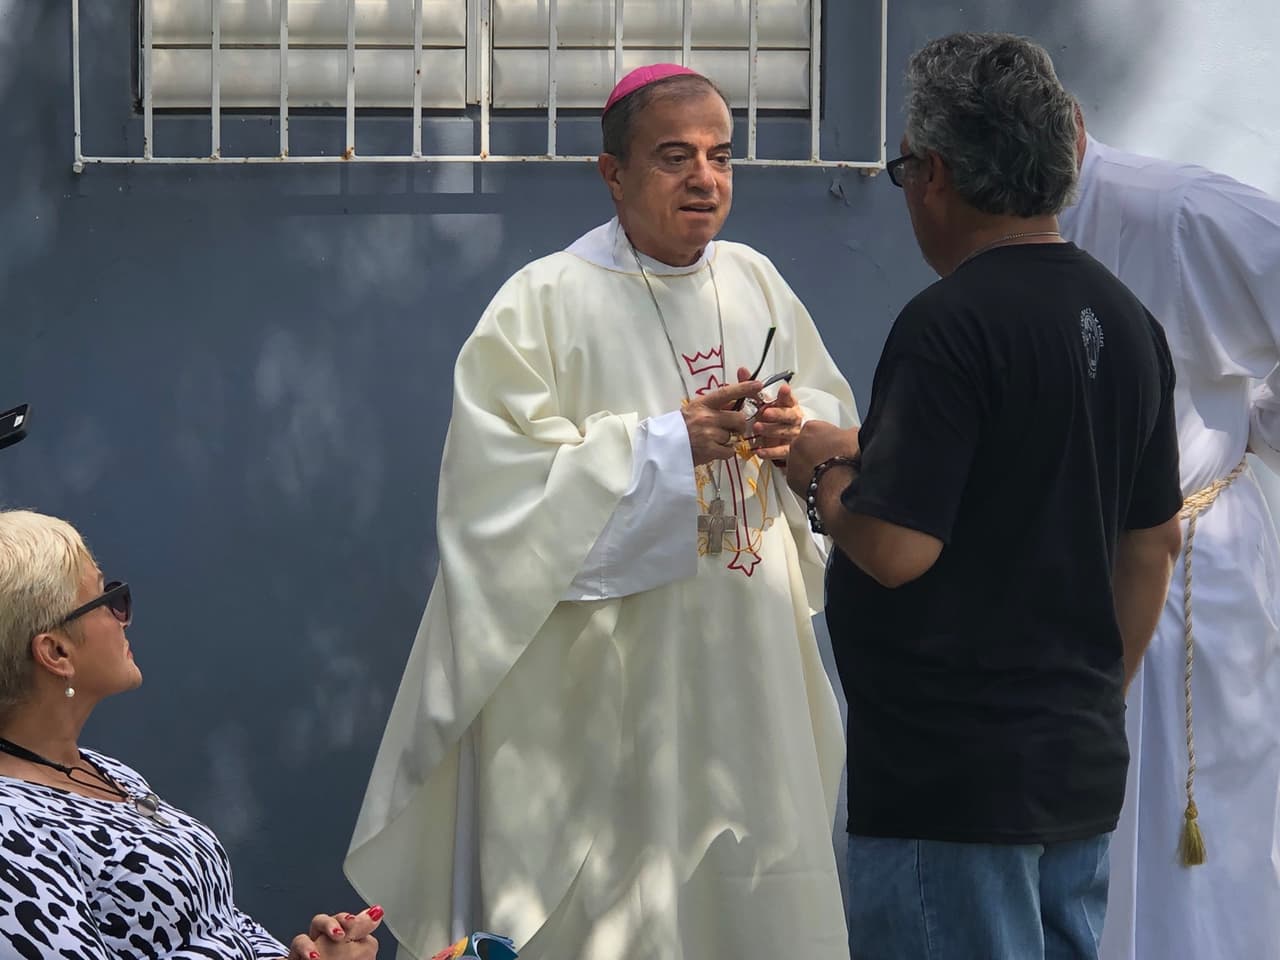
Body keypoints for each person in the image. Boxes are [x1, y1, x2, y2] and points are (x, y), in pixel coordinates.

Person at [344, 63, 858, 960]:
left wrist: (794, 430)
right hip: (602, 692)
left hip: (746, 656)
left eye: (720, 157)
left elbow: (829, 427)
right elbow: (494, 506)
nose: (705, 178)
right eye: (673, 157)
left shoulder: (757, 282)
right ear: (611, 173)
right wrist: (665, 445)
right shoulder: (541, 302)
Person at [786, 33, 1184, 960]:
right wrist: (1083, 696)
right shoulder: (1128, 323)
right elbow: (1151, 542)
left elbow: (895, 545)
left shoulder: (949, 325)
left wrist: (817, 470)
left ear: (933, 173)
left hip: (949, 783)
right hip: (1073, 767)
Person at [1059, 109, 1280, 960]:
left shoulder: (1181, 209)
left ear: (1066, 122)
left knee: (1203, 846)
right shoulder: (998, 222)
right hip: (1065, 568)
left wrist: (1255, 429)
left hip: (1194, 569)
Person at [0, 509, 383, 960]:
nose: (123, 614)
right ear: (56, 652)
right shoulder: (10, 830)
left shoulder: (100, 771)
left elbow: (221, 924)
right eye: (106, 599)